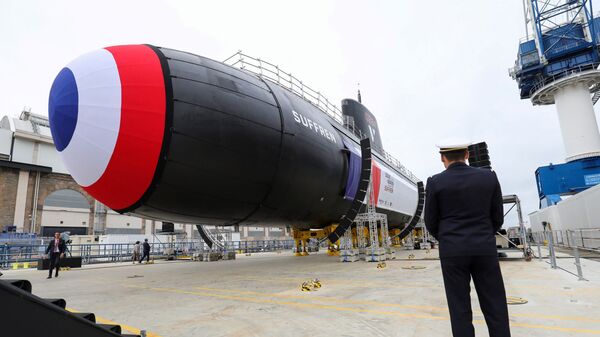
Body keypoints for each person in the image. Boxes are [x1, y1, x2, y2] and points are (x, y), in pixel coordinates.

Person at [424, 139, 511, 337]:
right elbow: (498, 216)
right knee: (495, 305)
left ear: (442, 158)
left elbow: (430, 221)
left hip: (452, 251)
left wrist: (447, 238)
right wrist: (485, 235)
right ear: (467, 155)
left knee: (459, 308)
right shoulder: (488, 177)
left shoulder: (435, 182)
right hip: (484, 249)